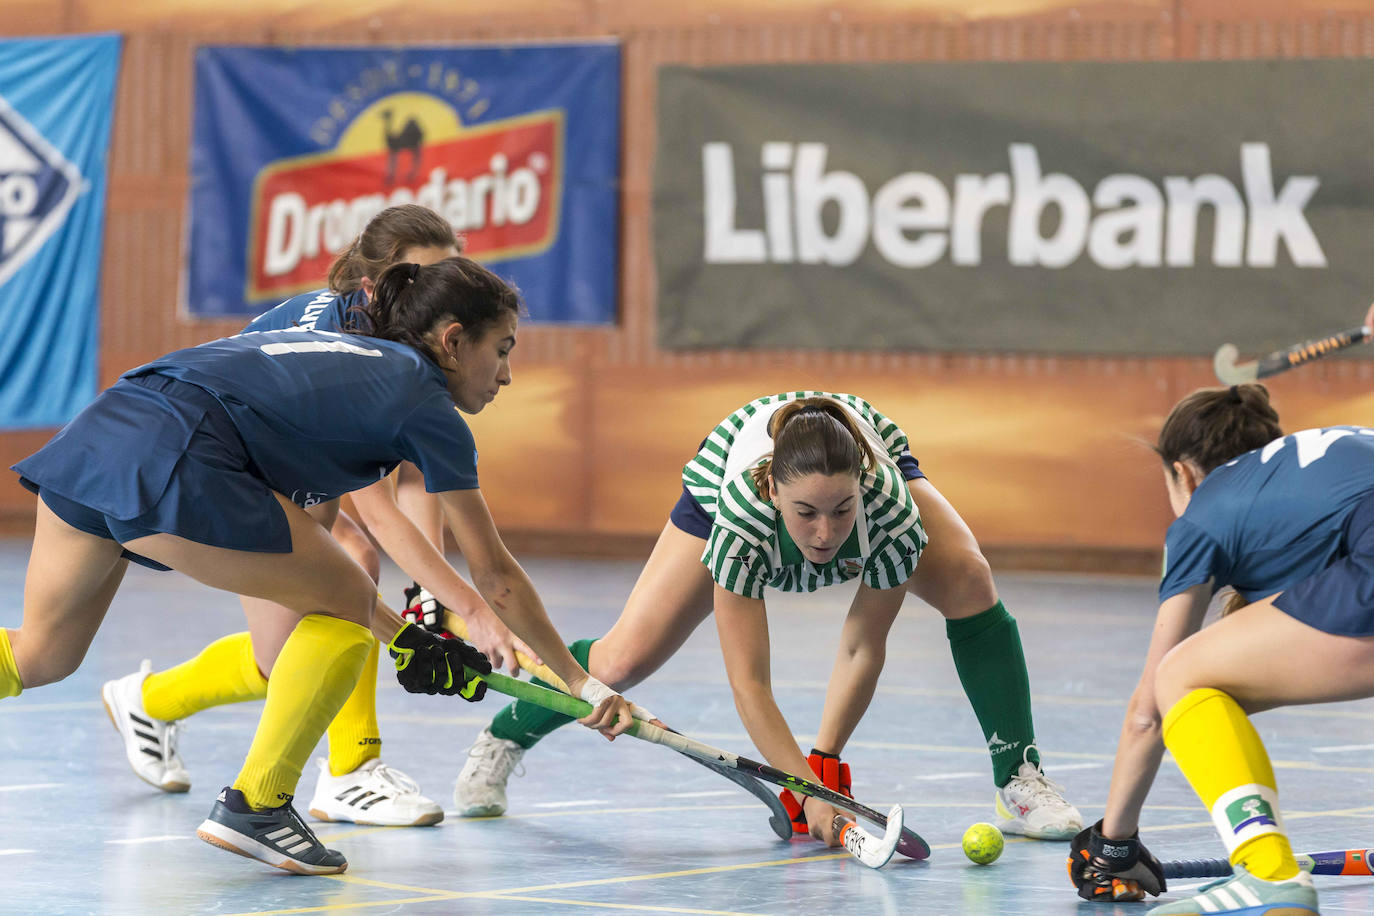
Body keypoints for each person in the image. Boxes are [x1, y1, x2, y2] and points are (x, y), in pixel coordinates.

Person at [3, 256, 639, 875]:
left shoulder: (349, 355)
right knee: (346, 604)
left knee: (42, 657)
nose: (505, 375)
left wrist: (414, 638)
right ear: (452, 340)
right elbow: (494, 575)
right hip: (177, 449)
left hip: (102, 427)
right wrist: (580, 684)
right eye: (502, 349)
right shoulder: (424, 404)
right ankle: (258, 804)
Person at [454, 391, 1083, 845]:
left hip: (860, 445)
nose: (826, 533)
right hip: (728, 466)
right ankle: (504, 736)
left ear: (862, 487)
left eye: (841, 511)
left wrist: (822, 765)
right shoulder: (742, 520)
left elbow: (863, 645)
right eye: (806, 512)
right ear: (773, 491)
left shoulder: (889, 513)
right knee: (622, 660)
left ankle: (1020, 778)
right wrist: (805, 789)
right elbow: (749, 684)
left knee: (970, 578)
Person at [101, 205, 536, 829]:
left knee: (285, 655)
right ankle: (350, 773)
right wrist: (467, 606)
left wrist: (424, 595)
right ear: (373, 282)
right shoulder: (358, 340)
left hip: (282, 475)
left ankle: (149, 700)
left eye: (452, 275)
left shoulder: (405, 340)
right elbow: (379, 512)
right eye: (421, 277)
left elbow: (412, 476)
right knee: (346, 578)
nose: (444, 296)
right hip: (225, 466)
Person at [1068, 383, 1374, 915]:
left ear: (1182, 473)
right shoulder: (1315, 469)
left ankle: (1268, 873)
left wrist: (1111, 846)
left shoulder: (1205, 512)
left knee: (1180, 675)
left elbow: (1150, 709)